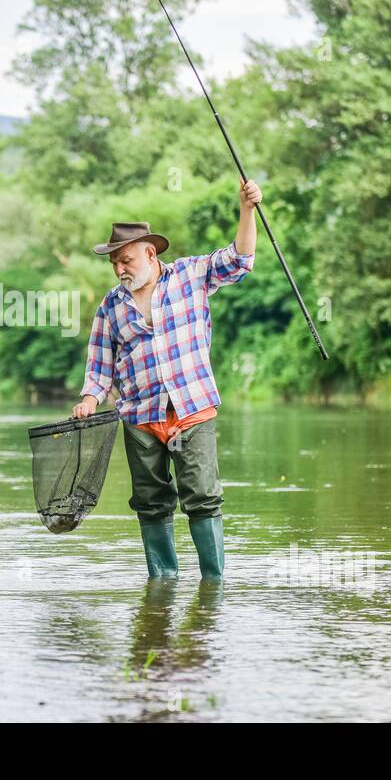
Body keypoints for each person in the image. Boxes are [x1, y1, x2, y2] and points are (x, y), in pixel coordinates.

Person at [71, 179, 262, 579]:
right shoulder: (110, 306)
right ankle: (162, 584)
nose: (120, 269)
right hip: (140, 418)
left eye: (126, 260)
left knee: (203, 498)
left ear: (149, 252)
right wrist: (90, 399)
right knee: (151, 503)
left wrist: (247, 210)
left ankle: (213, 583)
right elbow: (100, 366)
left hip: (192, 408)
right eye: (114, 263)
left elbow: (241, 259)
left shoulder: (191, 275)